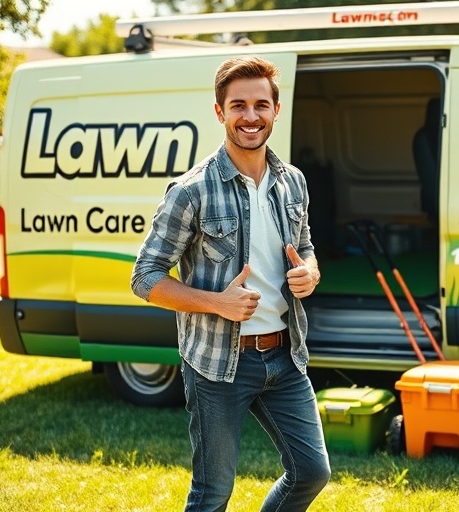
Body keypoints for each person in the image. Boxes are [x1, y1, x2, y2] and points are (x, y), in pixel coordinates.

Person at [130, 55, 331, 512]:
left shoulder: (293, 182)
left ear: (276, 110)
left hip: (285, 355)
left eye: (261, 104)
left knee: (312, 472)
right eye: (238, 105)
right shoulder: (191, 190)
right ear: (220, 112)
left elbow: (306, 246)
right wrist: (217, 303)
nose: (251, 116)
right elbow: (145, 277)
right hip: (219, 365)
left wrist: (311, 272)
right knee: (212, 494)